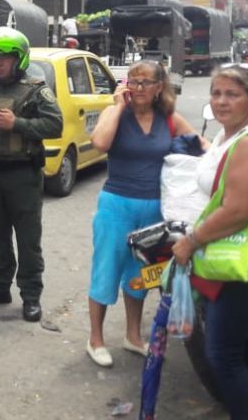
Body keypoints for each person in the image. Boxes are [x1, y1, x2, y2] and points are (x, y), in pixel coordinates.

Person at [171, 65, 248, 419]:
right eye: (216, 93)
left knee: (223, 355)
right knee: (245, 344)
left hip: (235, 258)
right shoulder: (229, 135)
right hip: (230, 254)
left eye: (232, 94)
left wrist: (191, 241)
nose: (221, 101)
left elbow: (238, 210)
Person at [86, 59, 200, 367]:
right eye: (132, 81)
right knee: (106, 269)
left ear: (159, 87)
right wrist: (116, 106)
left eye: (145, 82)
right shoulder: (117, 113)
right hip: (116, 204)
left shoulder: (169, 118)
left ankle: (133, 336)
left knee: (140, 275)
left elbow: (202, 146)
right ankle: (95, 339)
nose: (137, 87)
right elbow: (99, 142)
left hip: (154, 207)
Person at [0, 27, 63, 323]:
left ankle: (31, 296)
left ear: (18, 59)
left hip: (23, 174)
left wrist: (18, 124)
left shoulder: (36, 89)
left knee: (27, 239)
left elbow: (54, 125)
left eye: (4, 58)